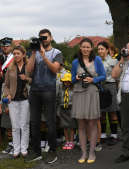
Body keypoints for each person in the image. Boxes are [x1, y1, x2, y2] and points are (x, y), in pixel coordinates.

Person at [26, 29, 63, 163]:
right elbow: (29, 71)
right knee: (34, 122)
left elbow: (55, 69)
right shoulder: (33, 52)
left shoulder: (57, 52)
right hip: (35, 90)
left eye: (45, 37)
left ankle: (52, 151)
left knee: (50, 122)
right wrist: (34, 52)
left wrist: (44, 56)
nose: (43, 39)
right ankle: (37, 152)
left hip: (49, 90)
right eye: (41, 37)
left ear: (51, 37)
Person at [71, 38, 106, 164]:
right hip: (79, 93)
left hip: (92, 92)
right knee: (81, 125)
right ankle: (83, 152)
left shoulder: (97, 60)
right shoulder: (75, 62)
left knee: (92, 123)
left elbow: (103, 75)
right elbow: (72, 80)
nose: (85, 49)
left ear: (91, 48)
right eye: (83, 47)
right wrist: (76, 77)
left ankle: (91, 152)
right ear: (80, 48)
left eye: (88, 47)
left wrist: (93, 80)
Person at [3, 45, 31, 158]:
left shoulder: (29, 67)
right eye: (14, 54)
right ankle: (16, 149)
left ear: (24, 54)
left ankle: (24, 148)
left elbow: (34, 81)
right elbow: (6, 85)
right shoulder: (10, 68)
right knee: (15, 126)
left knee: (24, 125)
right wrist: (8, 94)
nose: (16, 56)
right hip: (13, 100)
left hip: (25, 99)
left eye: (18, 53)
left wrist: (27, 79)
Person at [97, 41, 119, 146]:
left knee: (112, 111)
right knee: (101, 112)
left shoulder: (114, 61)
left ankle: (114, 135)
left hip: (111, 85)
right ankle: (103, 135)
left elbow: (117, 76)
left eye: (102, 49)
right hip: (100, 86)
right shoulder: (96, 61)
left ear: (107, 50)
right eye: (99, 49)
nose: (100, 51)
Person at [0, 37, 14, 155]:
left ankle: (13, 143)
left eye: (7, 46)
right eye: (3, 46)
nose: (5, 48)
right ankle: (7, 142)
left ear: (11, 46)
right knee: (4, 116)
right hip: (1, 88)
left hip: (10, 90)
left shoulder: (15, 58)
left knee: (10, 117)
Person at [57, 72, 76, 150]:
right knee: (64, 126)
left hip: (71, 109)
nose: (66, 83)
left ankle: (71, 141)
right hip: (63, 109)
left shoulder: (74, 90)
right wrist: (58, 111)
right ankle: (67, 141)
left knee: (71, 126)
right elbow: (58, 100)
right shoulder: (61, 90)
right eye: (65, 81)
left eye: (68, 81)